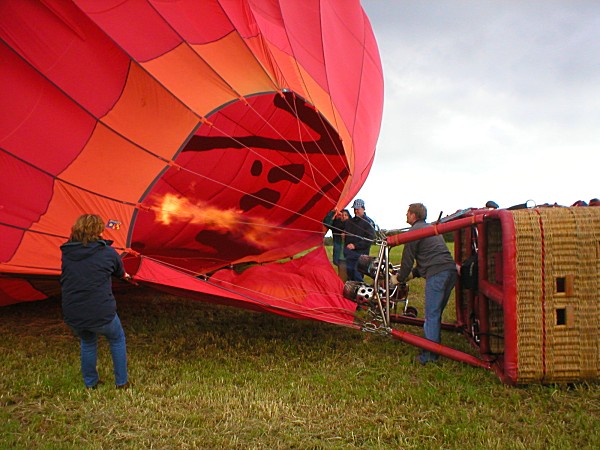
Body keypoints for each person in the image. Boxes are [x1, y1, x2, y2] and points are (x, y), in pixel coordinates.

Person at [60, 214, 131, 389]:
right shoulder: (107, 252)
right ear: (99, 230)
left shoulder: (67, 253)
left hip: (73, 312)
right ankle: (121, 382)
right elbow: (119, 272)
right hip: (101, 312)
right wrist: (126, 276)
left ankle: (90, 383)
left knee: (88, 342)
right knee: (117, 338)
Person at [395, 203, 458, 365]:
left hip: (437, 275)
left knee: (431, 315)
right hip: (450, 272)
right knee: (435, 313)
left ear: (414, 216)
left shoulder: (413, 232)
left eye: (408, 213)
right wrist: (413, 274)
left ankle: (429, 356)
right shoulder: (431, 230)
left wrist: (399, 278)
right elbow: (429, 258)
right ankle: (434, 345)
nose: (406, 215)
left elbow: (407, 260)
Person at [343, 199, 375, 282]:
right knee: (350, 275)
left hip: (361, 255)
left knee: (357, 275)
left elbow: (369, 240)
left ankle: (359, 292)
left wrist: (355, 246)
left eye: (358, 209)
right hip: (350, 254)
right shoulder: (350, 222)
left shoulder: (369, 222)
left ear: (363, 208)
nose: (356, 211)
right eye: (354, 209)